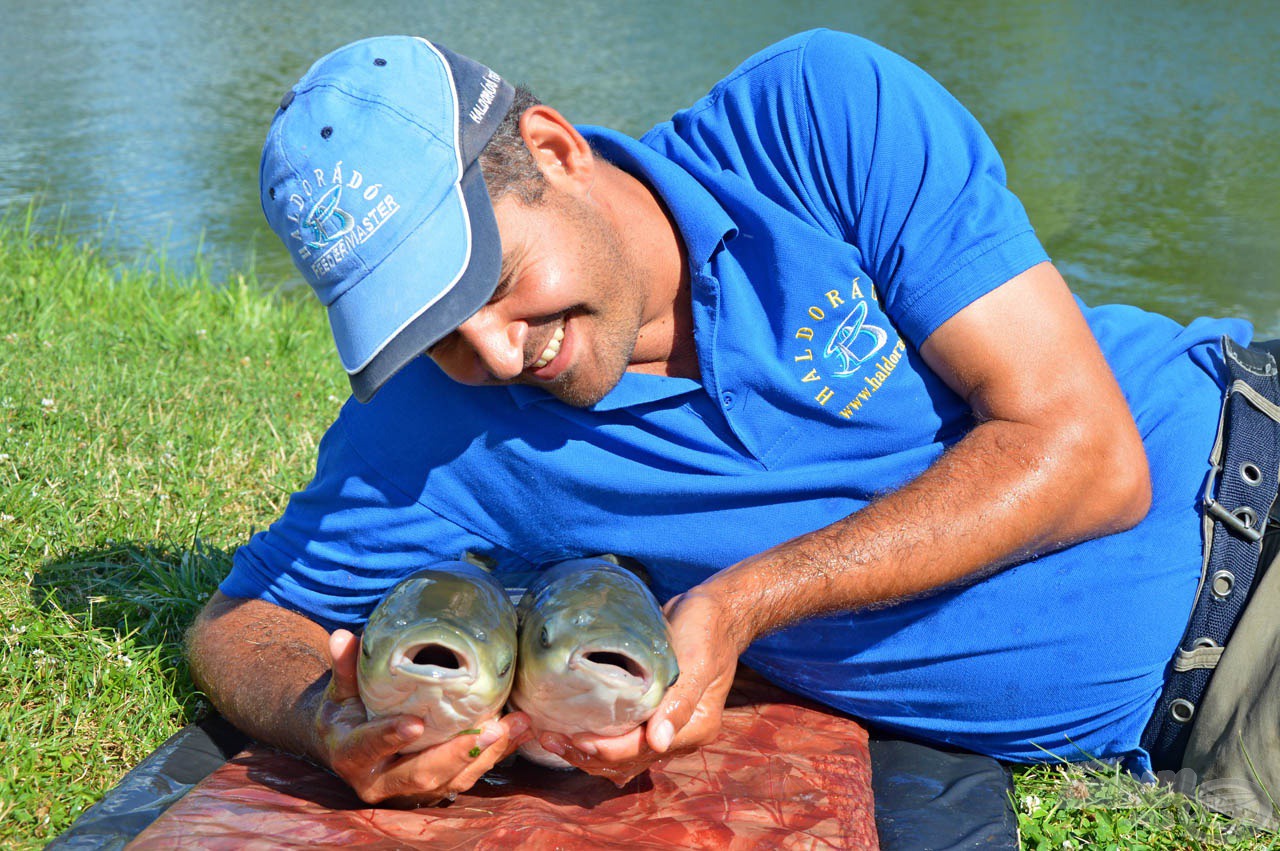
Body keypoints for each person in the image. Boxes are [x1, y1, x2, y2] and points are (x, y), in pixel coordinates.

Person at [188, 30, 1280, 820]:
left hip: (1249, 484)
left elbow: (1089, 457)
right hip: (1179, 727)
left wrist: (745, 600)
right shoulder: (436, 422)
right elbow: (240, 623)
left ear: (555, 150)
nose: (494, 353)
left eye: (497, 281)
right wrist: (327, 722)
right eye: (429, 330)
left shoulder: (816, 120)